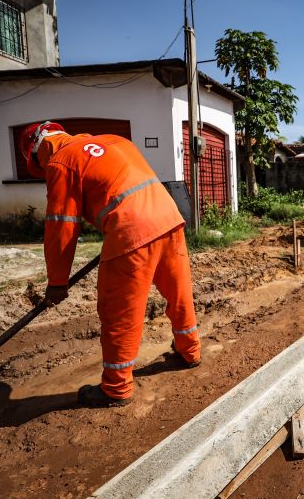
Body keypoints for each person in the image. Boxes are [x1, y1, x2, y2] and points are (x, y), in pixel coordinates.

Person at [19, 121, 201, 408]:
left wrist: (57, 282)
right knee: (178, 294)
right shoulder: (115, 141)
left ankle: (116, 388)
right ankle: (189, 352)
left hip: (131, 231)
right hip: (169, 218)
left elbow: (62, 227)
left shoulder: (60, 162)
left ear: (38, 150)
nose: (42, 170)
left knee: (119, 311)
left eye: (36, 164)